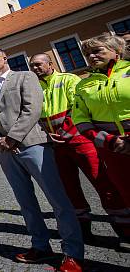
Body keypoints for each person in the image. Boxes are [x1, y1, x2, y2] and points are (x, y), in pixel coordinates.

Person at [0, 48, 83, 271]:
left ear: (4, 59)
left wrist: (12, 137)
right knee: (26, 202)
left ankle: (73, 252)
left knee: (57, 199)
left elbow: (32, 109)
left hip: (33, 144)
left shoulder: (25, 77)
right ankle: (40, 246)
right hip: (6, 152)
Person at [29, 52, 130, 246]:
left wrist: (65, 132)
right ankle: (83, 228)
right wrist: (46, 133)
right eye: (32, 66)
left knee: (102, 181)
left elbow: (77, 110)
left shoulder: (68, 79)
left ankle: (124, 228)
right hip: (56, 145)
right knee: (69, 188)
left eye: (38, 64)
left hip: (79, 140)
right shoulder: (35, 88)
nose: (35, 68)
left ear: (50, 64)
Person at [72, 34, 130, 252]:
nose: (92, 56)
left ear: (116, 51)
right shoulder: (84, 84)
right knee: (125, 191)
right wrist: (108, 141)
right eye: (88, 53)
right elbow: (80, 119)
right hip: (111, 148)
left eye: (98, 51)